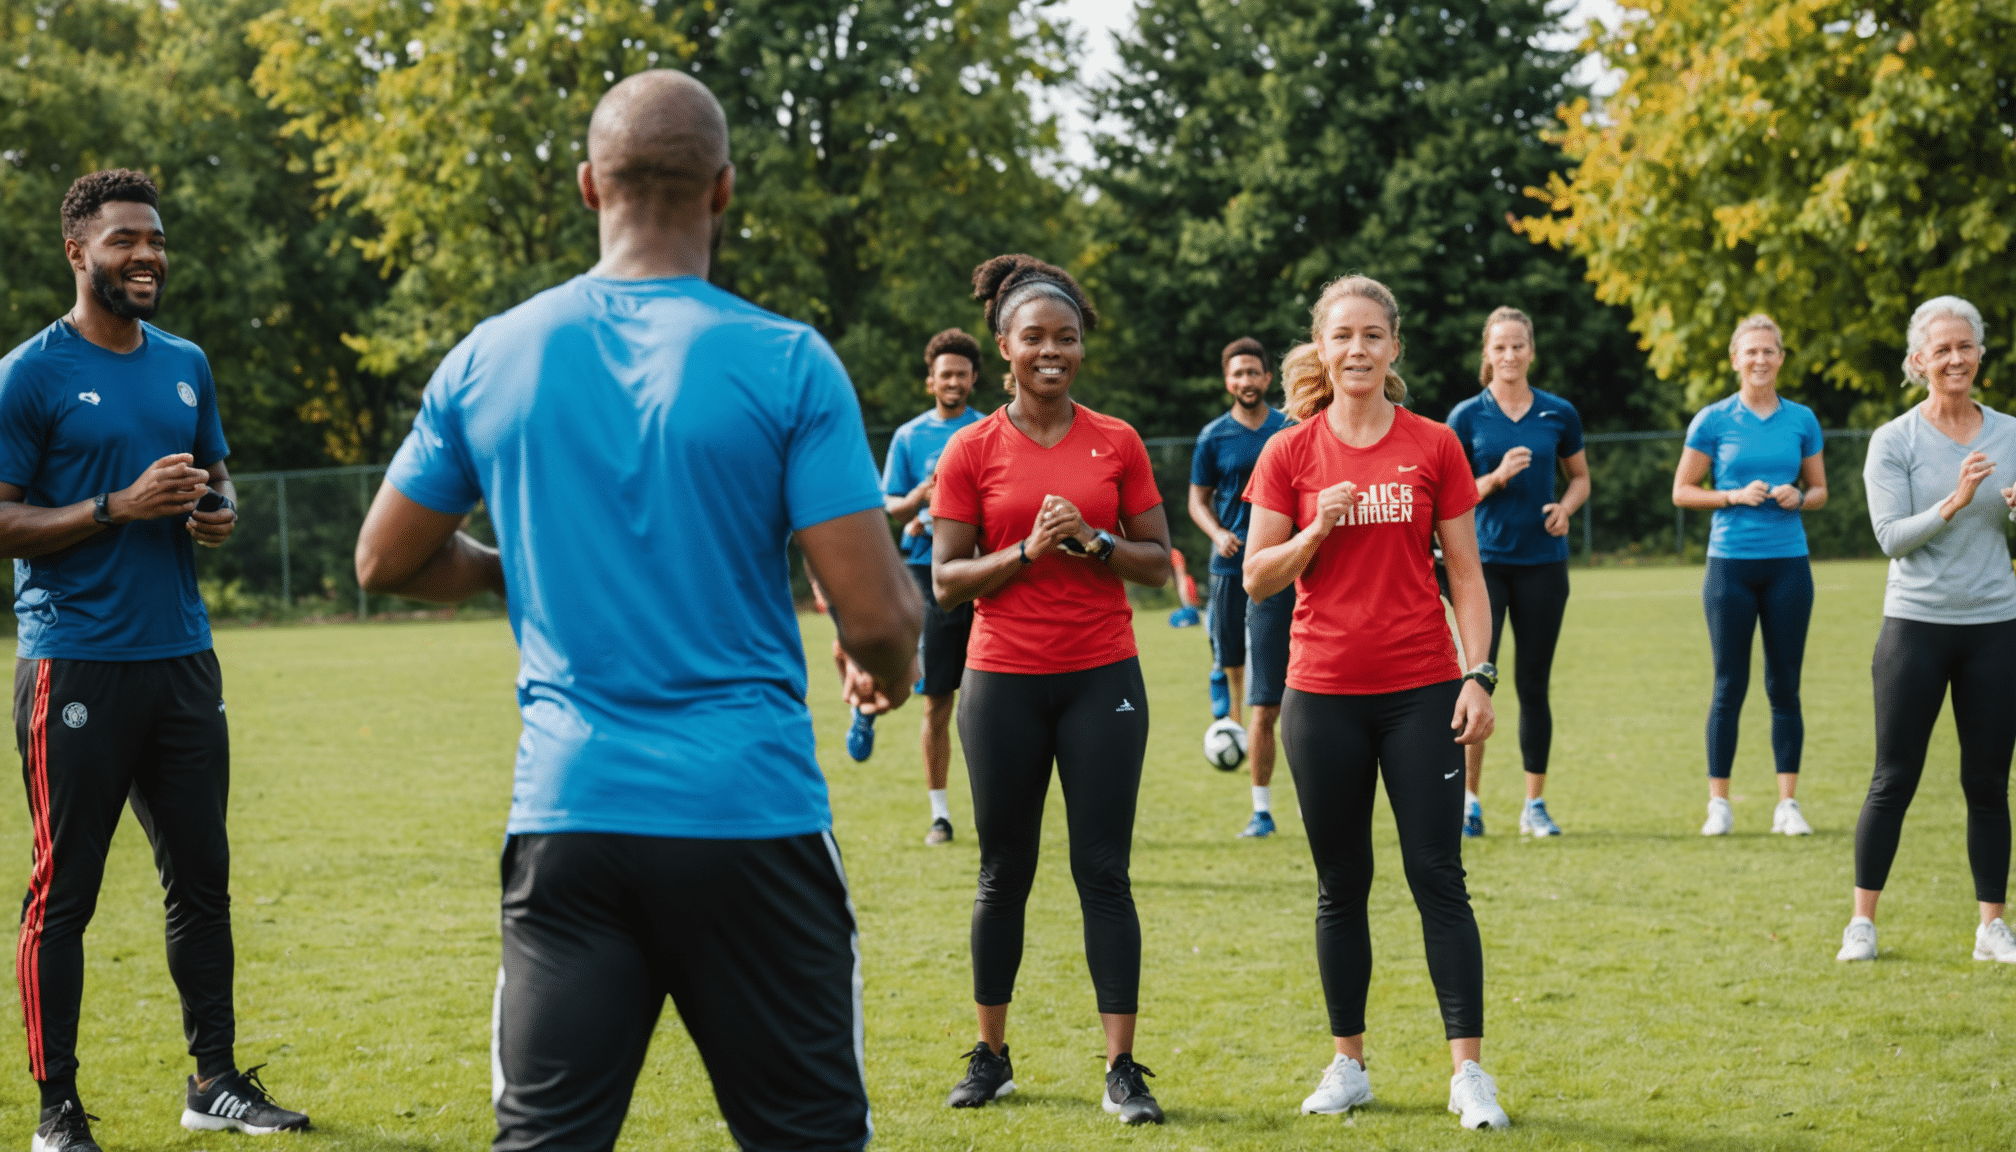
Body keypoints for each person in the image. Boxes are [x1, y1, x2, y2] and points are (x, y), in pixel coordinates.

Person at [353, 72, 922, 1151]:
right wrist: (886, 672)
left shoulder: (492, 353)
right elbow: (879, 616)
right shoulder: (786, 358)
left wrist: (496, 571)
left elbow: (385, 557)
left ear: (586, 187)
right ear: (723, 190)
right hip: (750, 816)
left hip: (571, 818)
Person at [0, 169, 308, 1152]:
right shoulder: (29, 374)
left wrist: (215, 511)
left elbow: (214, 479)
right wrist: (113, 508)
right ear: (78, 253)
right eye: (127, 239)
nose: (148, 256)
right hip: (75, 665)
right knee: (66, 893)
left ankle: (213, 1083)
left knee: (202, 879)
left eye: (159, 239)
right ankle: (57, 1115)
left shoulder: (187, 363)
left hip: (183, 659)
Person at [1243, 275, 1510, 1131]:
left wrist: (1480, 674)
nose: (1356, 349)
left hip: (1422, 692)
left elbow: (1466, 577)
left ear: (1394, 348)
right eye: (1341, 335)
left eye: (1372, 335)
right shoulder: (1288, 453)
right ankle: (1348, 1063)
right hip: (1320, 697)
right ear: (1320, 349)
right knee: (1339, 885)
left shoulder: (1434, 446)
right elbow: (1256, 577)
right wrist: (1316, 528)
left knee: (1439, 875)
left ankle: (1468, 1074)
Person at [930, 254, 1174, 1125]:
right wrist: (1027, 552)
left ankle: (1122, 1070)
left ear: (1080, 350)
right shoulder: (970, 449)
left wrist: (1094, 542)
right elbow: (947, 581)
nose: (1051, 350)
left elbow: (1159, 564)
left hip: (1101, 677)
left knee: (1103, 873)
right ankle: (991, 1056)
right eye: (1033, 337)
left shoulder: (1118, 442)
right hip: (1001, 684)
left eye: (1065, 338)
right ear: (1005, 347)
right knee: (1004, 873)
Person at [1839, 295, 2016, 965]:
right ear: (1919, 361)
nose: (1954, 358)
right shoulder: (1896, 440)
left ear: (1979, 353)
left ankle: (1991, 927)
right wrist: (1954, 501)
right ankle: (1863, 923)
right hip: (1915, 628)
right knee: (1893, 779)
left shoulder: (2011, 434)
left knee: (1988, 783)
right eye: (1940, 349)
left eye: (1964, 345)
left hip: (1996, 626)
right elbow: (1891, 538)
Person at [1671, 315, 1828, 837]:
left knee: (1785, 686)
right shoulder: (1712, 421)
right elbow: (1682, 491)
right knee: (1728, 685)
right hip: (1729, 568)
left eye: (1770, 351)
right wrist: (1733, 495)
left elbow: (1821, 491)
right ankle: (1719, 803)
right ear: (1736, 359)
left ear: (1781, 358)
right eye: (1751, 352)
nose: (1760, 360)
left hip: (1788, 566)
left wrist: (1799, 497)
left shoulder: (1802, 419)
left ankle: (1788, 804)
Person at [1444, 307, 1589, 838]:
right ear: (1487, 354)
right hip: (1480, 570)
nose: (1509, 355)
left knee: (1534, 685)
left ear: (1531, 350)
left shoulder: (1558, 413)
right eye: (1499, 347)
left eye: (1518, 345)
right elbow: (1449, 497)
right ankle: (1469, 803)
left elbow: (1579, 479)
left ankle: (1535, 805)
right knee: (1477, 682)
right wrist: (1497, 477)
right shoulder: (1466, 417)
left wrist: (1566, 509)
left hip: (1544, 569)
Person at [1187, 336, 1294, 838]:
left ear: (1267, 379)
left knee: (1276, 683)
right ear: (1226, 380)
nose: (1246, 382)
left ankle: (1245, 713)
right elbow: (1197, 501)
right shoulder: (1214, 436)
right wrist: (1218, 533)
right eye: (1237, 374)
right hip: (1230, 568)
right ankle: (1226, 708)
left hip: (1282, 568)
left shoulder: (1289, 430)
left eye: (1253, 373)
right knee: (1230, 654)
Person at [880, 329, 985, 842]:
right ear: (931, 381)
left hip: (987, 572)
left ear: (973, 379)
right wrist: (927, 496)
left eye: (962, 373)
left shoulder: (989, 430)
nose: (953, 381)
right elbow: (889, 508)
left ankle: (999, 807)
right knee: (938, 700)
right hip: (929, 574)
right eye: (945, 373)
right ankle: (940, 814)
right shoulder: (909, 437)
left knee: (992, 701)